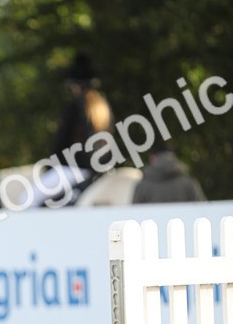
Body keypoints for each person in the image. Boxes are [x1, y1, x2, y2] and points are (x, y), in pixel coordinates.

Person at [28, 51, 114, 207]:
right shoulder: (104, 108)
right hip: (99, 171)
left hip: (72, 169)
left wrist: (50, 166)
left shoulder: (74, 108)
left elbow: (61, 141)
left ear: (74, 86)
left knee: (26, 200)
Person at [132, 138, 207, 203]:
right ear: (172, 156)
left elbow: (134, 212)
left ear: (152, 158)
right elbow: (202, 210)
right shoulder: (188, 183)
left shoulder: (142, 186)